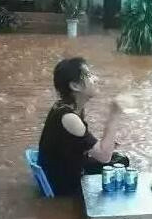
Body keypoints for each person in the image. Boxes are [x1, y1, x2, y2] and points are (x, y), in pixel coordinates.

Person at [38, 57, 129, 196]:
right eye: (88, 75)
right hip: (63, 182)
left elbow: (75, 142)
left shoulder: (66, 106)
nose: (95, 78)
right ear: (75, 86)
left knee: (120, 159)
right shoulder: (70, 117)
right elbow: (104, 157)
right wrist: (114, 113)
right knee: (118, 165)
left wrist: (104, 145)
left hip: (65, 164)